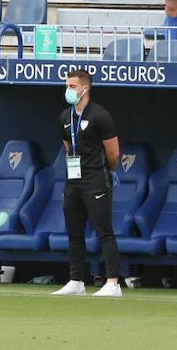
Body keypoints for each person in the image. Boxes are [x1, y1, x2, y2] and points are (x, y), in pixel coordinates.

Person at [52, 69, 123, 298]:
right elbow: (68, 147)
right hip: (73, 181)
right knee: (74, 232)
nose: (68, 90)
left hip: (96, 180)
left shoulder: (101, 115)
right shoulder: (64, 117)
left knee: (104, 231)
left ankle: (113, 283)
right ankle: (76, 280)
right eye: (67, 86)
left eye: (72, 87)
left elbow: (113, 152)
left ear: (85, 89)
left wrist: (107, 172)